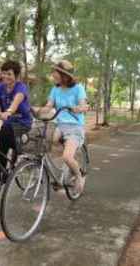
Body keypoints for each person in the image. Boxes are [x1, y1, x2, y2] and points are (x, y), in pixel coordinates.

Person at [36, 60, 88, 193]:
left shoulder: (78, 88)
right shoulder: (55, 89)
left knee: (67, 157)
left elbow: (84, 105)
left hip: (74, 127)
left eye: (55, 72)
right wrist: (38, 111)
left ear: (64, 75)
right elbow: (49, 105)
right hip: (59, 125)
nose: (53, 74)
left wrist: (78, 108)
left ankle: (78, 176)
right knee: (47, 140)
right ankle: (65, 167)